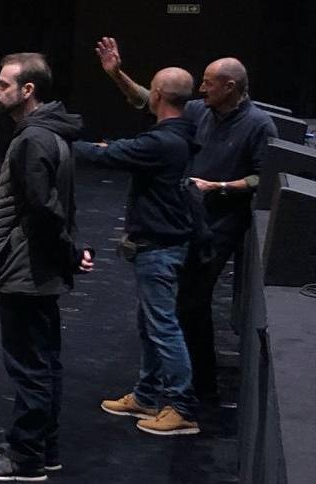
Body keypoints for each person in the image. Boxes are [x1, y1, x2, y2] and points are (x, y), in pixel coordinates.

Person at [95, 38, 276, 400]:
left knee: (190, 304)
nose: (202, 87)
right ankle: (172, 385)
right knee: (173, 307)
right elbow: (151, 99)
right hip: (188, 220)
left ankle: (196, 388)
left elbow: (264, 177)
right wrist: (116, 74)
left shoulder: (259, 125)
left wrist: (220, 185)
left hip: (221, 224)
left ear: (231, 87)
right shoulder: (199, 111)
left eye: (209, 82)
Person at [0, 52, 92, 482]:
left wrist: (67, 251)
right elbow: (56, 207)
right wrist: (71, 251)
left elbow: (43, 210)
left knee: (30, 367)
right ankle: (45, 448)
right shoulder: (52, 135)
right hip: (39, 266)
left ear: (28, 91)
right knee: (45, 363)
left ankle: (24, 458)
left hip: (26, 270)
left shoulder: (31, 141)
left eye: (4, 85)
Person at [76, 67, 202, 436]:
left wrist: (56, 139)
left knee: (163, 328)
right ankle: (147, 395)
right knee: (151, 326)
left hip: (159, 248)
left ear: (159, 95)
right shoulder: (182, 130)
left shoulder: (163, 141)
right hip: (164, 244)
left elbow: (110, 155)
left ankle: (181, 407)